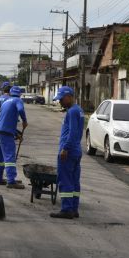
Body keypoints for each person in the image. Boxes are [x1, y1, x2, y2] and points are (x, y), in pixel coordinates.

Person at [51, 86, 84, 219]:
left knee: (65, 180)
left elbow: (73, 132)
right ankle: (74, 209)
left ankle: (66, 210)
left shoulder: (72, 112)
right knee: (74, 181)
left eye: (61, 99)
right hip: (76, 150)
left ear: (69, 96)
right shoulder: (79, 110)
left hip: (68, 151)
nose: (60, 102)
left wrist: (65, 148)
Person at [0, 85, 27, 187]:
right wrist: (25, 121)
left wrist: (16, 133)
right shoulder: (17, 100)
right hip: (5, 132)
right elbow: (21, 110)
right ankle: (11, 181)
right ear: (19, 94)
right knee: (9, 156)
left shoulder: (6, 102)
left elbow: (4, 120)